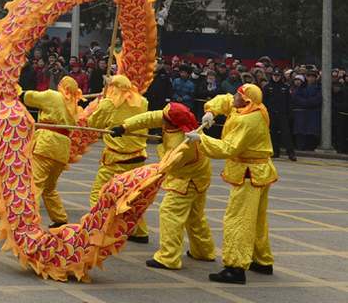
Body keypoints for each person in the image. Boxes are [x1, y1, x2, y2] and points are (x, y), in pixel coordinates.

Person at [186, 84, 277, 284]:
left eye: (239, 95)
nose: (235, 97)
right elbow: (225, 99)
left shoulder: (249, 120)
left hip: (248, 174)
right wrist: (211, 111)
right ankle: (262, 261)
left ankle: (235, 268)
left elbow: (229, 148)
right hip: (259, 172)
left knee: (239, 220)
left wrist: (201, 140)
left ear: (247, 101)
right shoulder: (249, 107)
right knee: (257, 220)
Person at [113, 102, 215, 269]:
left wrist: (160, 148)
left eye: (165, 117)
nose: (162, 118)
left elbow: (168, 164)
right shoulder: (176, 123)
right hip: (200, 175)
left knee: (169, 213)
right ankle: (204, 251)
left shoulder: (183, 142)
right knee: (194, 216)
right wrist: (124, 128)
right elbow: (150, 117)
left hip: (186, 179)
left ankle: (168, 258)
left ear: (173, 122)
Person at [86, 74, 150, 242]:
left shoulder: (109, 103)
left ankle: (96, 227)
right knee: (131, 195)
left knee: (100, 194)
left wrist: (101, 103)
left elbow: (93, 124)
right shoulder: (141, 101)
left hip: (116, 158)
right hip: (137, 157)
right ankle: (139, 232)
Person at [20, 76, 80, 227]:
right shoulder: (73, 106)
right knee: (49, 187)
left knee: (35, 184)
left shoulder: (52, 96)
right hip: (62, 149)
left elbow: (28, 97)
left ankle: (26, 220)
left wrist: (13, 90)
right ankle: (59, 219)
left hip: (46, 145)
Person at [263, 69, 296, 161]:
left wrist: (289, 113)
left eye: (278, 75)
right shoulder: (267, 87)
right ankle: (275, 152)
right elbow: (264, 101)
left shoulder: (285, 87)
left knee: (286, 134)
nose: (276, 77)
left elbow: (289, 102)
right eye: (274, 75)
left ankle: (291, 153)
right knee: (273, 134)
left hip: (282, 114)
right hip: (271, 114)